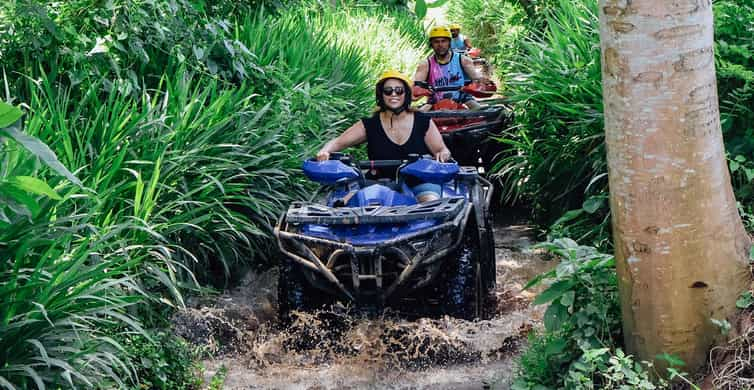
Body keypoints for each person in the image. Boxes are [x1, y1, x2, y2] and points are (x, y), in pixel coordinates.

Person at [316, 70, 452, 202]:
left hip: (419, 181)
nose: (394, 94)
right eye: (388, 91)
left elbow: (441, 150)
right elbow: (338, 142)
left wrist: (443, 154)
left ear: (406, 94)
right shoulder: (369, 124)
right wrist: (325, 151)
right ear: (381, 95)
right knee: (346, 202)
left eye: (399, 90)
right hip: (377, 184)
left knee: (429, 202)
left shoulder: (422, 121)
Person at [414, 26, 488, 111]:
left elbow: (477, 79)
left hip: (462, 99)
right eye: (436, 42)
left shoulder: (464, 60)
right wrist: (419, 91)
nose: (440, 45)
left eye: (443, 41)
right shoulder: (425, 65)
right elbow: (416, 89)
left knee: (481, 111)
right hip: (434, 101)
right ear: (431, 44)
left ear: (449, 43)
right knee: (417, 116)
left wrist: (481, 81)